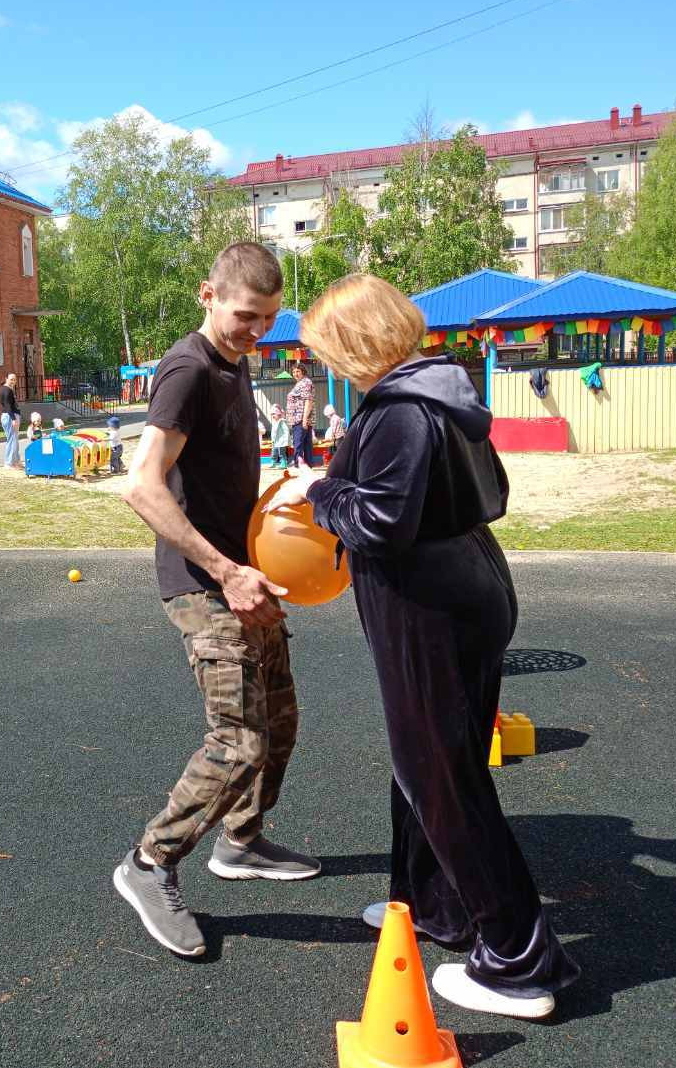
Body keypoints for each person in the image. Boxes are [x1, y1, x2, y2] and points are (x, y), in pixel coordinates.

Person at [270, 274, 579, 1019]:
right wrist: (338, 479)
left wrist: (318, 491)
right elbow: (489, 493)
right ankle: (434, 907)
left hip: (430, 610)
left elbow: (379, 522)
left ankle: (519, 961)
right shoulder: (442, 391)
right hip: (464, 590)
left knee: (444, 779)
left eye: (328, 348)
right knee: (428, 767)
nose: (326, 363)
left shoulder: (402, 409)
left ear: (356, 342)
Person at [115, 241, 320, 959]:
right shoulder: (189, 370)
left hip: (245, 574)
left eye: (268, 319)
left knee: (280, 722)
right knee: (239, 742)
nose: (256, 331)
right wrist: (226, 572)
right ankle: (149, 862)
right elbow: (141, 486)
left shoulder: (236, 364)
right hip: (204, 583)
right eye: (245, 316)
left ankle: (240, 841)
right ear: (208, 295)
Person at [284, 361, 315, 467]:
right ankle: (307, 466)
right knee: (306, 444)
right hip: (299, 419)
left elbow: (308, 400)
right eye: (293, 372)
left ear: (303, 372)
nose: (295, 374)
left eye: (298, 371)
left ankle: (298, 465)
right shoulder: (301, 383)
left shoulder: (305, 382)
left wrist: (304, 419)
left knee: (298, 444)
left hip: (300, 419)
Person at [0, 373, 23, 469]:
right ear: (6, 379)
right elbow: (7, 405)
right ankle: (9, 463)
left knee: (14, 439)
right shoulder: (6, 390)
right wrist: (13, 419)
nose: (13, 381)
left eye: (14, 379)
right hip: (9, 416)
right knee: (12, 439)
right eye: (11, 379)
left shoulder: (9, 389)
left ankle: (16, 461)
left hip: (12, 415)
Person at [269, 405, 292, 469]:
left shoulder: (281, 422)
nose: (273, 416)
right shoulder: (274, 422)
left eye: (274, 414)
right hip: (275, 440)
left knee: (281, 452)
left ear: (279, 414)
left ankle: (283, 463)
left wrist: (286, 440)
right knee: (274, 451)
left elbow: (286, 430)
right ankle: (273, 462)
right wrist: (272, 439)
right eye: (272, 414)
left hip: (281, 440)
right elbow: (273, 432)